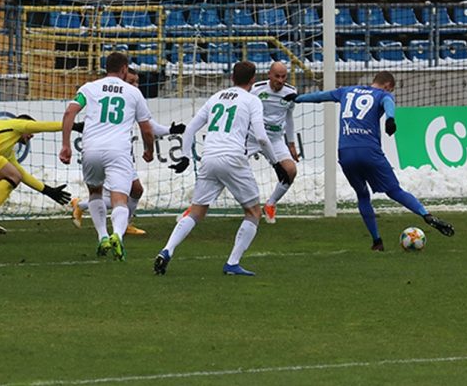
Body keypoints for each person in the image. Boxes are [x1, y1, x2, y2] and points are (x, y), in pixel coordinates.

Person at [289, 71, 454, 251]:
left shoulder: (346, 91)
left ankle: (377, 241)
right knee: (394, 191)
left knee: (362, 195)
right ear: (387, 86)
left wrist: (298, 98)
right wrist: (390, 119)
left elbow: (321, 96)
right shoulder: (382, 95)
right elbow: (388, 102)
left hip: (345, 153)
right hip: (369, 151)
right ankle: (426, 215)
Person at [155, 61, 282, 276]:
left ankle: (167, 249)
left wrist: (185, 157)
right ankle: (232, 263)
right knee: (253, 212)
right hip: (233, 158)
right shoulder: (252, 100)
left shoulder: (216, 97)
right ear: (253, 80)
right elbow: (261, 137)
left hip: (209, 158)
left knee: (196, 211)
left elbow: (191, 128)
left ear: (232, 77)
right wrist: (276, 163)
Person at [60, 52, 155, 261]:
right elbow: (147, 129)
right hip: (118, 151)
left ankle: (103, 236)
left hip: (91, 149)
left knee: (95, 193)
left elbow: (69, 113)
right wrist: (150, 150)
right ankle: (118, 235)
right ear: (124, 69)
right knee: (120, 199)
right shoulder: (133, 92)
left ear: (106, 68)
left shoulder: (89, 88)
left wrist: (66, 145)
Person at [69, 68, 186, 235]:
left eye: (137, 82)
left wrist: (170, 130)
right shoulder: (112, 95)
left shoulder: (131, 97)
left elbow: (149, 126)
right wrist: (150, 149)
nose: (135, 85)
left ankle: (111, 220)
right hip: (110, 153)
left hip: (120, 153)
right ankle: (93, 214)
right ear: (122, 78)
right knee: (119, 196)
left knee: (135, 190)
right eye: (131, 81)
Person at [249, 62, 299, 224]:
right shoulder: (257, 89)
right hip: (252, 137)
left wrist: (291, 143)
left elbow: (289, 118)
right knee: (227, 166)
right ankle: (198, 206)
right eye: (277, 76)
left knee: (290, 170)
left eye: (284, 76)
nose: (280, 80)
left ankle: (270, 204)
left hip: (275, 139)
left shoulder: (291, 92)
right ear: (269, 75)